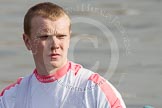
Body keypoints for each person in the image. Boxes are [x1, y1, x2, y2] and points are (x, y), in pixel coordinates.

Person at [0, 2, 126, 108]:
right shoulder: (10, 98)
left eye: (61, 36)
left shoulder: (95, 90)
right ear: (28, 42)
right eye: (45, 37)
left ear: (69, 39)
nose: (55, 44)